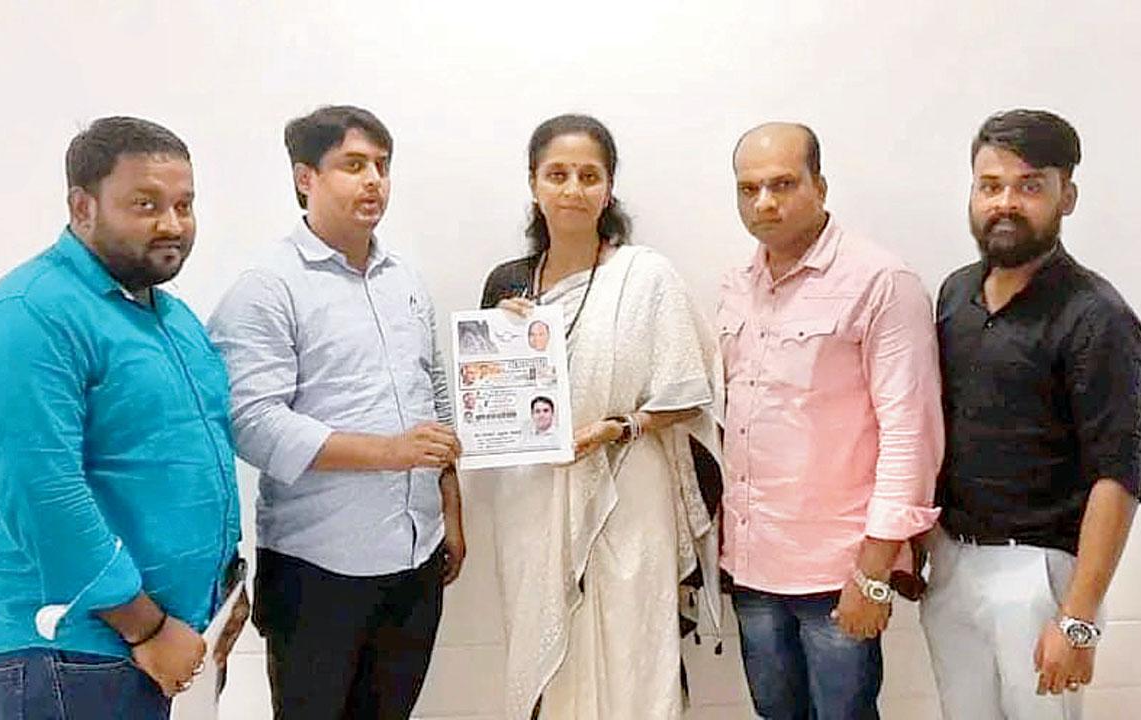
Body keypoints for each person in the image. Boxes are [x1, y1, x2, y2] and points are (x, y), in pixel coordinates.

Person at [0, 116, 247, 719]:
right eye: (145, 204)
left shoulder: (171, 317)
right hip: (77, 658)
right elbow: (42, 496)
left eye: (184, 204)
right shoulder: (29, 316)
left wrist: (223, 594)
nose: (173, 224)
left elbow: (188, 459)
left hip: (176, 646)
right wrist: (145, 629)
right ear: (82, 207)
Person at [207, 105, 464, 719]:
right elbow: (252, 422)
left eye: (382, 165)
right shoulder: (266, 286)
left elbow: (437, 395)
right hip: (317, 570)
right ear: (305, 178)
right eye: (353, 165)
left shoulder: (404, 278)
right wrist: (389, 453)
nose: (374, 180)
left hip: (416, 557)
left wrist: (450, 506)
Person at [478, 113, 724, 719]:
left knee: (633, 646)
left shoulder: (646, 276)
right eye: (557, 174)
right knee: (545, 657)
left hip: (629, 490)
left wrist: (616, 428)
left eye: (589, 175)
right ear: (533, 183)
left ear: (608, 188)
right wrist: (500, 340)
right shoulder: (507, 283)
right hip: (533, 501)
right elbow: (487, 402)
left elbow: (688, 391)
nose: (572, 189)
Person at [920, 109, 1141, 720]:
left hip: (1037, 574)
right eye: (990, 186)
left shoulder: (1097, 316)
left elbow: (1117, 474)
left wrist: (1077, 619)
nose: (1006, 203)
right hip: (951, 560)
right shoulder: (955, 293)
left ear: (1065, 196)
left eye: (1030, 186)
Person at [720, 122, 943, 719]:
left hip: (837, 571)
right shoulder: (736, 286)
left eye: (783, 184)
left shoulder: (881, 281)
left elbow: (911, 434)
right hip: (752, 566)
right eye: (748, 189)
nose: (764, 202)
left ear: (820, 185)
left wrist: (875, 572)